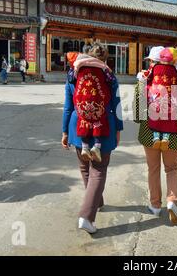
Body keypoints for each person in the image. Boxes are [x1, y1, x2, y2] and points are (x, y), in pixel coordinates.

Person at [62, 44, 123, 234]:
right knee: (98, 170)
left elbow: (68, 107)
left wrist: (65, 132)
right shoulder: (109, 76)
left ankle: (96, 201)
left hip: (78, 128)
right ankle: (86, 216)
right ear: (104, 59)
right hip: (103, 127)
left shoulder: (74, 74)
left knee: (84, 167)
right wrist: (118, 128)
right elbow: (117, 105)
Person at [133, 47, 177, 225]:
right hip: (174, 133)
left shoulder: (145, 77)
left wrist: (140, 119)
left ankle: (155, 205)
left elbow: (138, 103)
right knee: (172, 169)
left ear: (155, 61)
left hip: (149, 132)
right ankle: (171, 201)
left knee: (153, 169)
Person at [72, 44, 116, 163]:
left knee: (84, 119)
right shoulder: (103, 68)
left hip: (82, 107)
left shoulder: (79, 65)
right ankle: (96, 147)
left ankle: (85, 148)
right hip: (98, 106)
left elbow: (72, 79)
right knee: (99, 119)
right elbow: (111, 81)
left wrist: (65, 132)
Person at [144, 47, 177, 150]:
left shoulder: (154, 68)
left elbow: (146, 78)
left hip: (156, 100)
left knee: (155, 120)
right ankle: (165, 139)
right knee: (168, 121)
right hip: (170, 102)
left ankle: (155, 138)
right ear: (175, 60)